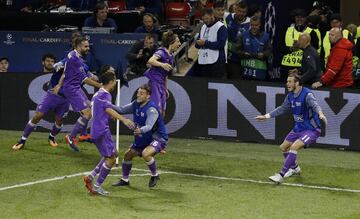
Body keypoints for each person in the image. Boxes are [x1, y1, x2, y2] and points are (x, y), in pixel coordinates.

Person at [256, 73, 327, 184]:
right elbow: (282, 109)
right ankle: (295, 168)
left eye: (290, 81)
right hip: (298, 128)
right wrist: (266, 116)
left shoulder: (307, 94)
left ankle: (280, 175)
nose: (287, 84)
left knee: (294, 147)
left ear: (297, 83)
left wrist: (321, 113)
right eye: (287, 81)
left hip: (312, 130)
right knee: (283, 148)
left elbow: (315, 105)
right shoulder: (290, 96)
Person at [83, 71, 135, 196]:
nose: (114, 84)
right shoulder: (106, 94)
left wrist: (106, 114)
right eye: (114, 81)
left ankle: (91, 176)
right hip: (102, 130)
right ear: (111, 81)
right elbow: (107, 109)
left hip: (96, 130)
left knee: (113, 153)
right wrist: (124, 119)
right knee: (111, 159)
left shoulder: (97, 94)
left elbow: (96, 107)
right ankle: (97, 186)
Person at [112, 84, 168, 188]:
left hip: (158, 137)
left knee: (146, 153)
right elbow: (121, 109)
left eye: (142, 93)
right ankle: (125, 180)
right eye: (138, 93)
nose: (138, 95)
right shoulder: (135, 104)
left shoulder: (152, 109)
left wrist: (139, 130)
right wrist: (106, 104)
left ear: (148, 96)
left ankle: (155, 175)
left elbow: (149, 126)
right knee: (127, 155)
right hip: (144, 136)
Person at [53, 37, 102, 152]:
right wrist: (100, 86)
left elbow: (67, 71)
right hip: (72, 89)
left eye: (88, 46)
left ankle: (83, 135)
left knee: (89, 109)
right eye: (86, 46)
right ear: (78, 47)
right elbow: (85, 79)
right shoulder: (76, 59)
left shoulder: (71, 54)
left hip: (75, 87)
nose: (88, 48)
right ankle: (71, 137)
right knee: (87, 113)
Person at [12, 58, 70, 150]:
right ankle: (22, 141)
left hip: (65, 100)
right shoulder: (65, 61)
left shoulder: (80, 68)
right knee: (38, 115)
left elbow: (86, 78)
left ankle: (51, 137)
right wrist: (59, 66)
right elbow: (56, 66)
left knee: (59, 121)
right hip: (52, 96)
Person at [144, 30, 181, 116]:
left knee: (163, 111)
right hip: (155, 83)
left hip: (161, 84)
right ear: (171, 42)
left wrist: (165, 88)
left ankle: (158, 128)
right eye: (178, 41)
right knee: (155, 110)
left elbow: (166, 75)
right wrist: (162, 64)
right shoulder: (161, 52)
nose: (179, 44)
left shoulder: (171, 55)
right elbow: (151, 60)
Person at [195, 8, 227, 78]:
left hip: (217, 62)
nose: (205, 21)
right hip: (204, 61)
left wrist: (205, 43)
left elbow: (221, 44)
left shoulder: (221, 27)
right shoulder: (203, 26)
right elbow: (197, 44)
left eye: (207, 19)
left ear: (212, 16)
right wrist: (198, 44)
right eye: (203, 19)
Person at [237, 16, 272, 80]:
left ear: (260, 25)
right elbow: (238, 50)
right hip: (245, 72)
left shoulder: (265, 36)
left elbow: (269, 51)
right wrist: (244, 53)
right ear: (250, 24)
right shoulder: (243, 35)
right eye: (252, 25)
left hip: (260, 73)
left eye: (256, 25)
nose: (254, 27)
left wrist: (263, 54)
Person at [225, 1, 250, 79]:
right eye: (239, 11)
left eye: (243, 12)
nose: (241, 13)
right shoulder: (227, 16)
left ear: (246, 13)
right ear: (235, 9)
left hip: (237, 60)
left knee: (235, 80)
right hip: (224, 57)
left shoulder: (249, 23)